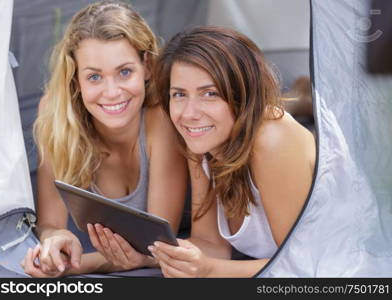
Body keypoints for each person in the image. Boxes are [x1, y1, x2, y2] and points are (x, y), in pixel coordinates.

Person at [21, 0, 187, 277]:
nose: (112, 92)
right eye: (94, 77)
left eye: (124, 72)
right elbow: (50, 223)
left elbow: (157, 248)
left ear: (146, 66)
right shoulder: (55, 114)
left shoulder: (162, 119)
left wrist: (72, 267)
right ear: (76, 80)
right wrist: (56, 242)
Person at [149, 26, 316, 277]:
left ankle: (305, 98)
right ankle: (302, 96)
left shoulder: (272, 140)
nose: (189, 113)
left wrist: (210, 271)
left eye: (210, 93)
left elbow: (302, 266)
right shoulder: (201, 142)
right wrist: (157, 255)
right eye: (179, 94)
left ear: (243, 95)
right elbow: (211, 245)